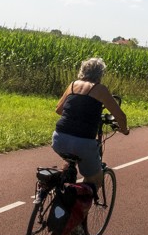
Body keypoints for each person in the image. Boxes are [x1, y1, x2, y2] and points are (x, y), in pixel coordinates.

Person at [53, 57, 128, 190]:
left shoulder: (72, 85)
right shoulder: (100, 89)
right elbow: (120, 116)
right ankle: (80, 207)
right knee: (95, 179)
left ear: (82, 71)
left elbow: (59, 110)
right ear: (100, 74)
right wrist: (124, 130)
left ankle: (60, 186)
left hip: (59, 139)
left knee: (70, 160)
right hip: (83, 143)